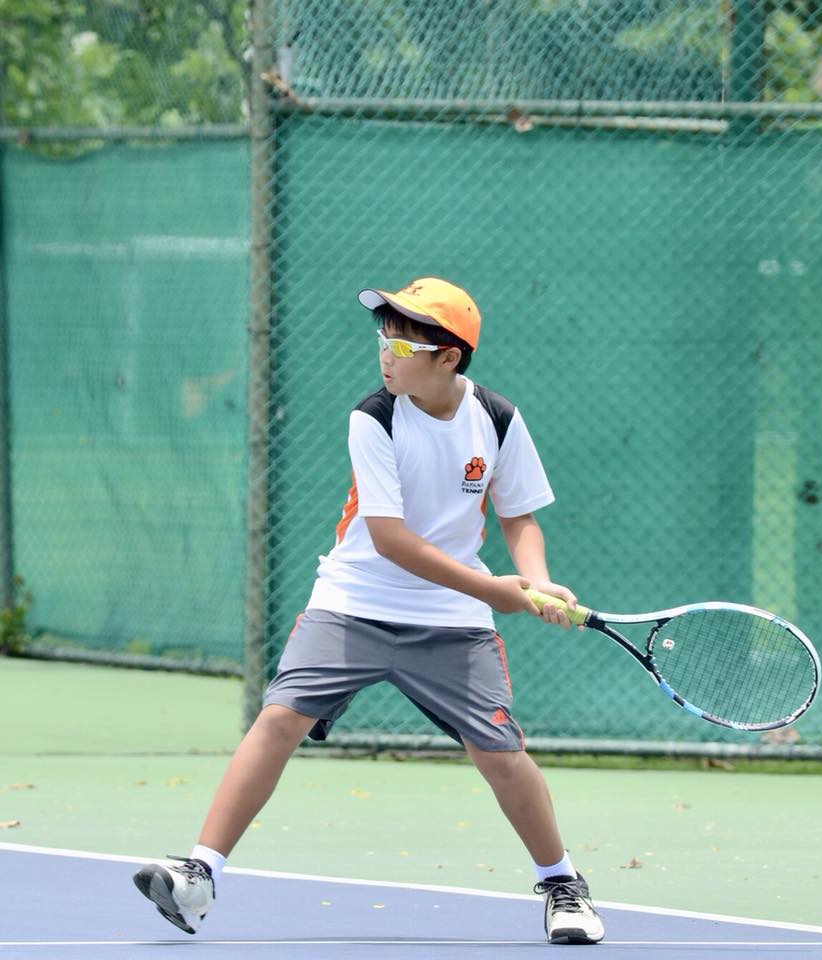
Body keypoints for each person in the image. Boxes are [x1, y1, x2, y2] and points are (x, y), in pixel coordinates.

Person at [133, 277, 605, 945]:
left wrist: (538, 582)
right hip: (354, 601)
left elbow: (518, 515)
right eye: (383, 336)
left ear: (449, 357)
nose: (386, 352)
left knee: (500, 752)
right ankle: (199, 874)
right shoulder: (374, 417)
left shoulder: (498, 418)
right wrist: (494, 590)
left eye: (403, 343)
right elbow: (390, 539)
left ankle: (562, 885)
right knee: (279, 718)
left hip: (452, 621)